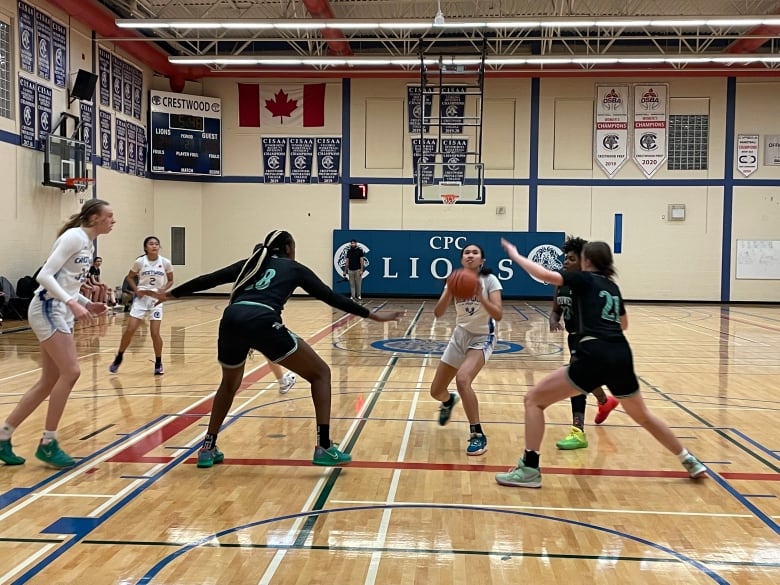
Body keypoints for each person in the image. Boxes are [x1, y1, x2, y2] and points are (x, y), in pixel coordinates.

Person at [151, 230, 404, 468]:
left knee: (228, 385)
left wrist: (172, 294)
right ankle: (324, 447)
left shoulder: (250, 263)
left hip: (230, 319)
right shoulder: (293, 268)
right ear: (287, 248)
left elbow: (209, 279)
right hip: (262, 320)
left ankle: (207, 448)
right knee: (321, 374)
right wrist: (372, 315)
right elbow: (330, 296)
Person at [495, 238, 707, 488]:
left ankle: (529, 469)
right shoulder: (612, 287)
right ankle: (689, 459)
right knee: (644, 416)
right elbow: (624, 324)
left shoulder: (583, 278)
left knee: (533, 400)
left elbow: (543, 274)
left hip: (594, 352)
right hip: (621, 353)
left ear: (587, 261)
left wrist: (516, 254)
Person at [0, 199, 115, 468]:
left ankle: (3, 435)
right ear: (95, 218)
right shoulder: (73, 237)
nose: (113, 220)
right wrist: (72, 302)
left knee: (49, 380)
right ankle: (48, 443)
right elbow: (45, 276)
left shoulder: (87, 242)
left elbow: (68, 283)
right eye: (109, 216)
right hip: (48, 308)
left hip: (60, 309)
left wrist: (86, 303)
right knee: (71, 372)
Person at [432, 243, 503, 456]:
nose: (470, 255)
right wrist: (449, 290)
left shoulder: (490, 280)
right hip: (460, 336)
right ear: (462, 259)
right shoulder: (454, 280)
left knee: (463, 380)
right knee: (436, 391)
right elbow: (438, 312)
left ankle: (477, 434)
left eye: (475, 252)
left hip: (483, 337)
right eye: (466, 253)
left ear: (482, 260)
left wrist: (480, 296)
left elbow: (498, 314)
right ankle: (448, 401)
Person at [550, 236, 619, 450]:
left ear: (584, 262)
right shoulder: (563, 282)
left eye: (571, 259)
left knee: (575, 379)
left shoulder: (591, 285)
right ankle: (604, 401)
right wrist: (553, 318)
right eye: (565, 258)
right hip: (574, 338)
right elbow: (556, 308)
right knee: (582, 377)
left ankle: (577, 430)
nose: (565, 262)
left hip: (592, 339)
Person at [109, 237, 174, 376]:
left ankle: (158, 362)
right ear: (145, 247)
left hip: (156, 300)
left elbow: (171, 280)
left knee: (155, 333)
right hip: (141, 299)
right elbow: (129, 277)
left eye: (157, 244)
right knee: (130, 330)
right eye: (151, 244)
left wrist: (164, 290)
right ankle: (119, 356)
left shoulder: (165, 262)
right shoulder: (140, 262)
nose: (154, 246)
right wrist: (136, 290)